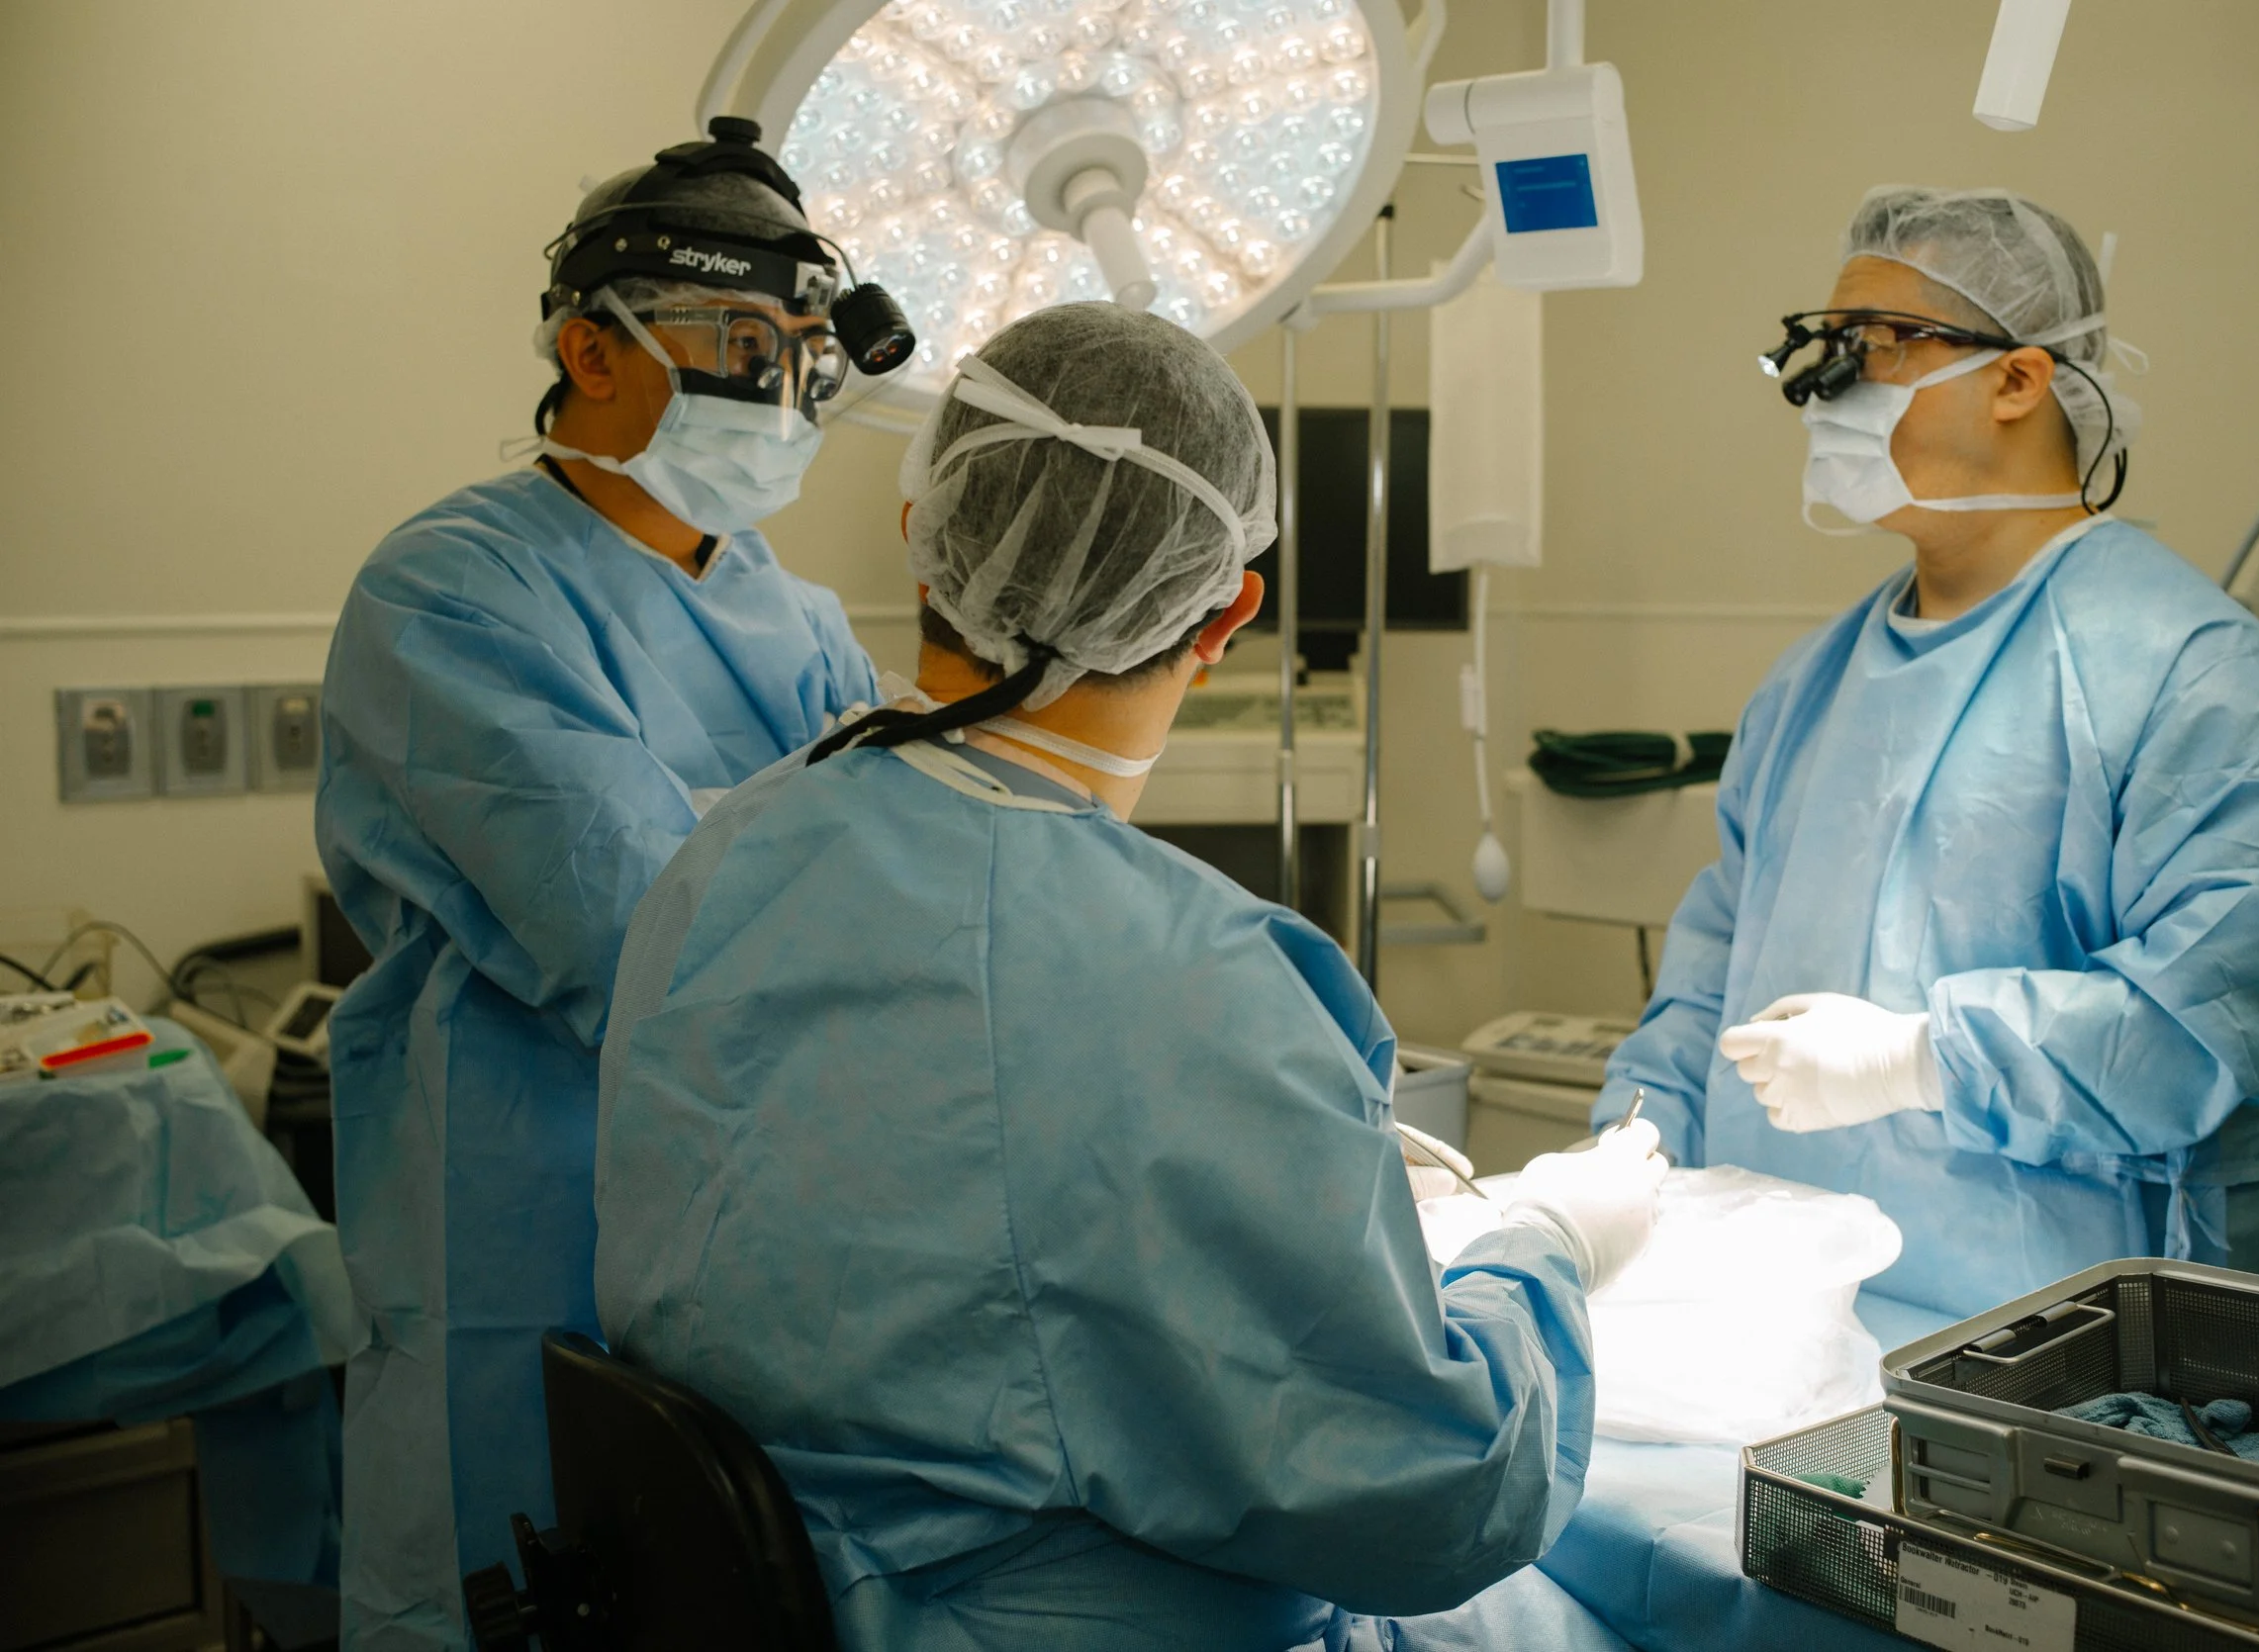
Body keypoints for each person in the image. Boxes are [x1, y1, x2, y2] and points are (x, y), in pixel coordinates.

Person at [595, 301, 1663, 1651]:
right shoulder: (1197, 975)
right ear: (1226, 614)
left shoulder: (724, 852)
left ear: (925, 532)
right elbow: (1437, 1500)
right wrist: (1545, 1253)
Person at [1599, 186, 2259, 1324]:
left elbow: (2224, 1015)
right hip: (1776, 1319)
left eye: (1868, 347)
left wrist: (1921, 1059)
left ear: (2018, 378)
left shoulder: (2190, 675)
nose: (1823, 391)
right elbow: (1707, 982)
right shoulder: (1809, 687)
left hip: (2066, 1357)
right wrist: (1627, 1152)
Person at [316, 119, 883, 1650]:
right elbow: (638, 915)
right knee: (516, 1575)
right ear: (594, 348)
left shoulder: (810, 621)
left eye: (808, 348)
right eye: (740, 341)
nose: (781, 389)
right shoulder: (451, 586)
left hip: (762, 1197)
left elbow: (898, 884)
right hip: (517, 1184)